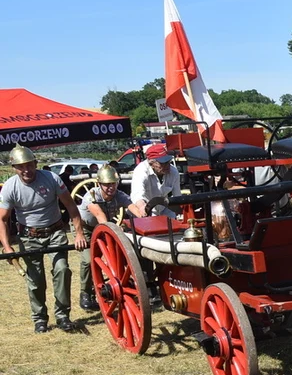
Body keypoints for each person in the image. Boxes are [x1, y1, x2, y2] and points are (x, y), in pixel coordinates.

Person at [0, 144, 88, 333]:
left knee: (62, 270)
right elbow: (2, 219)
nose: (26, 170)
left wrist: (79, 233)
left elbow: (72, 207)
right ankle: (40, 318)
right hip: (29, 236)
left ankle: (63, 315)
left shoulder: (51, 178)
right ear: (14, 168)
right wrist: (7, 247)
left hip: (55, 232)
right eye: (21, 166)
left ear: (35, 163)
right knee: (35, 279)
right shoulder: (9, 187)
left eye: (29, 165)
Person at [76, 164, 145, 310]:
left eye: (113, 184)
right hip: (87, 229)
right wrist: (113, 229)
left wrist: (143, 218)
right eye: (106, 185)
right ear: (99, 184)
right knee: (88, 261)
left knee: (120, 255)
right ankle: (86, 294)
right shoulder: (92, 196)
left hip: (107, 227)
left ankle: (127, 284)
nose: (110, 188)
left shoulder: (119, 195)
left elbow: (133, 208)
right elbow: (100, 216)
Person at [129, 143, 181, 218]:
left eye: (168, 162)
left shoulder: (174, 172)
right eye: (163, 163)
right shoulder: (140, 171)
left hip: (164, 208)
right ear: (151, 163)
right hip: (147, 209)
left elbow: (177, 197)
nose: (167, 165)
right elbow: (137, 195)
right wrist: (142, 207)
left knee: (174, 224)